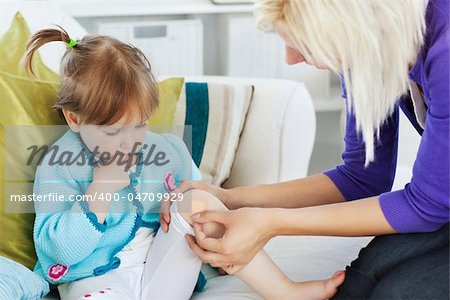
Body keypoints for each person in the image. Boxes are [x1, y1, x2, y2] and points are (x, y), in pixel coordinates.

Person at [27, 28, 348, 300]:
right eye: (112, 131)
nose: (129, 142)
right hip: (94, 284)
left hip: (165, 273)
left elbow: (207, 209)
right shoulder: (59, 166)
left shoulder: (164, 151)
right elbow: (57, 253)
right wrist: (99, 193)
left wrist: (187, 207)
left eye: (139, 125)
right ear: (74, 119)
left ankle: (285, 291)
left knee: (198, 201)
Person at [167, 0, 450, 299]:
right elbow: (362, 178)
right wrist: (231, 199)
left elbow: (427, 206)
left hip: (437, 211)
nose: (289, 58)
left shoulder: (442, 47)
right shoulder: (365, 48)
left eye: (304, 45)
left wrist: (272, 223)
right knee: (355, 288)